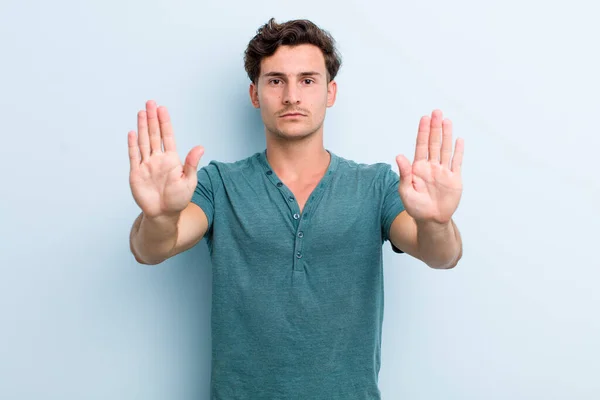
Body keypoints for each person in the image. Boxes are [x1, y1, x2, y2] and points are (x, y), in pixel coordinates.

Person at [128, 17, 464, 400]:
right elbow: (151, 249)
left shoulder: (375, 185)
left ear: (330, 92)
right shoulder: (220, 183)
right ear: (255, 94)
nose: (291, 96)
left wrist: (437, 222)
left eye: (307, 80)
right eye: (275, 81)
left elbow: (442, 255)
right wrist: (159, 216)